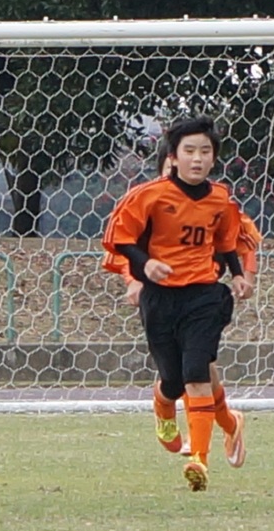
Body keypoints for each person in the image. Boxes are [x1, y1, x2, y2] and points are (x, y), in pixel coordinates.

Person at [102, 116, 251, 491]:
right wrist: (143, 268)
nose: (197, 159)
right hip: (161, 298)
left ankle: (199, 459)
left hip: (204, 295)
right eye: (190, 151)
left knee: (196, 372)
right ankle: (170, 406)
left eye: (205, 151)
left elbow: (228, 241)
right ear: (173, 156)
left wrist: (238, 274)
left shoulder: (221, 198)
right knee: (173, 380)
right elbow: (120, 239)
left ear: (214, 157)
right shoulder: (148, 196)